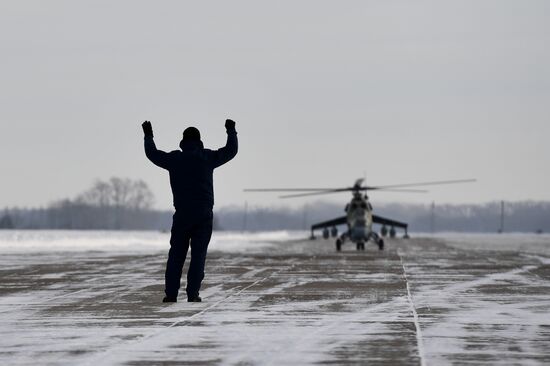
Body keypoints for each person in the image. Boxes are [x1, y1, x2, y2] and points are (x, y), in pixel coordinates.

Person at [142, 119, 238, 303]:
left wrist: (148, 136)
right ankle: (193, 294)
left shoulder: (175, 159)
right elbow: (230, 151)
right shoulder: (207, 157)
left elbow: (152, 154)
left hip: (182, 214)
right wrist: (231, 131)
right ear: (199, 140)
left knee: (176, 255)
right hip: (203, 214)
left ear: (183, 141)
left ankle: (171, 294)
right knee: (198, 256)